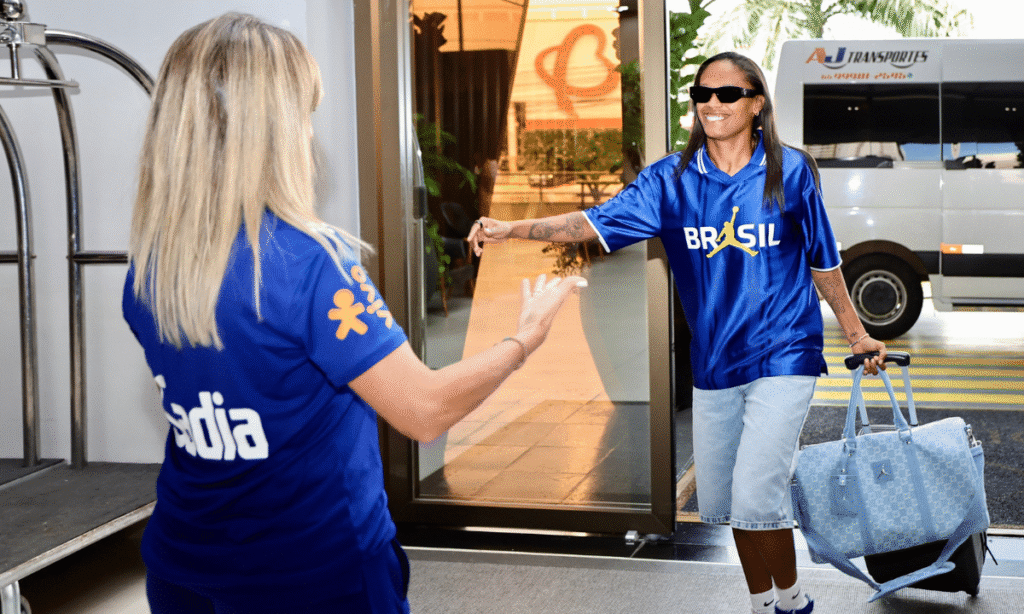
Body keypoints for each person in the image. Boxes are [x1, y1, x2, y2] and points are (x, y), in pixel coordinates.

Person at [123, 13, 585, 614]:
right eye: (303, 111)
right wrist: (523, 340)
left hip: (184, 565)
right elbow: (423, 410)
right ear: (274, 126)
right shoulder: (308, 261)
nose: (309, 132)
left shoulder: (154, 263)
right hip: (313, 572)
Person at [468, 51, 888, 614]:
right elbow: (590, 222)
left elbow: (823, 262)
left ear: (756, 105)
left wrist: (856, 334)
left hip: (786, 351)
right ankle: (769, 603)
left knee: (756, 490)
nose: (712, 104)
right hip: (714, 360)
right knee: (730, 501)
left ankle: (792, 602)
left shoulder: (789, 171)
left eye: (728, 94)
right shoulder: (670, 180)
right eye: (702, 94)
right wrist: (508, 228)